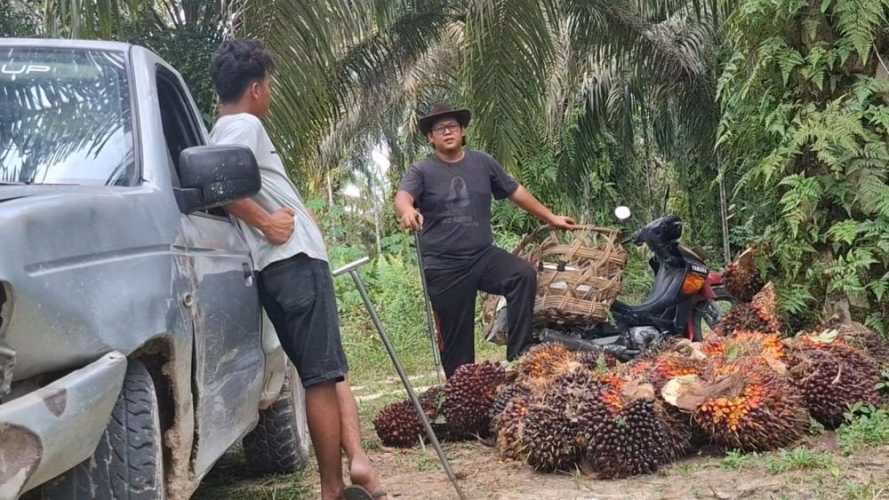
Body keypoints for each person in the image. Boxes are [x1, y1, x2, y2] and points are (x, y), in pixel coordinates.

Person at [209, 39, 386, 500]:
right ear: (255, 88)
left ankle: (357, 468)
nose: (269, 93)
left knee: (324, 370)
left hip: (291, 265)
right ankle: (331, 489)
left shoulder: (228, 128)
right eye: (268, 85)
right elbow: (215, 181)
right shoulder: (241, 125)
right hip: (293, 263)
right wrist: (265, 221)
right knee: (321, 378)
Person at [394, 104, 577, 378]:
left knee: (522, 275)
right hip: (444, 266)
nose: (447, 132)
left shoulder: (483, 162)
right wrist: (408, 211)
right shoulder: (422, 170)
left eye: (452, 127)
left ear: (463, 131)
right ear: (431, 138)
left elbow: (515, 191)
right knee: (458, 348)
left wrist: (550, 217)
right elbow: (403, 197)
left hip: (482, 256)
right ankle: (463, 391)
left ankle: (519, 358)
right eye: (439, 129)